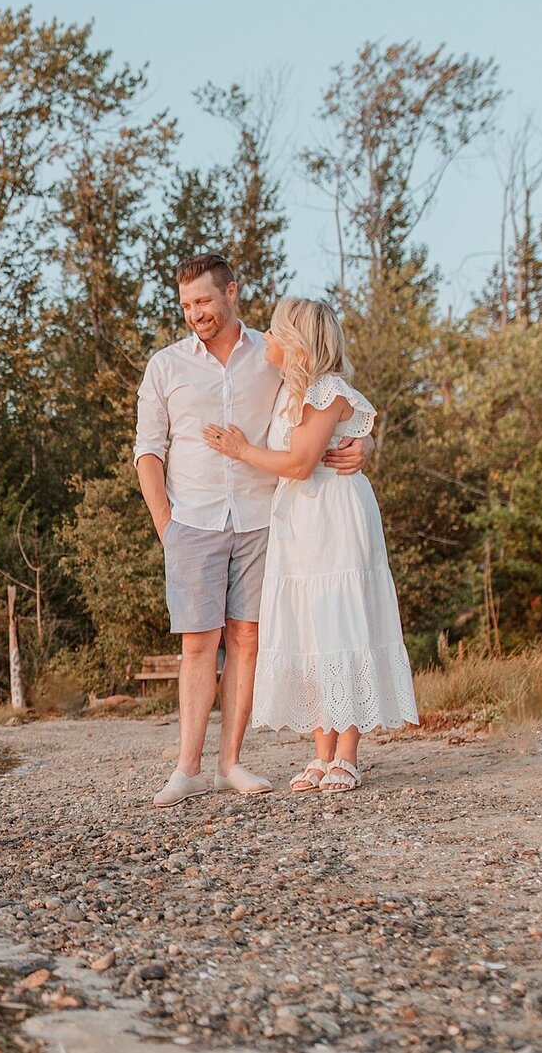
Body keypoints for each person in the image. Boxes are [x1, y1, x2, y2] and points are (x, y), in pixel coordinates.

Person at [135, 254, 367, 807]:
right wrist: (165, 524)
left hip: (267, 520)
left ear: (231, 293)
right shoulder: (165, 366)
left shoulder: (274, 351)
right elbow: (147, 451)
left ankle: (230, 764)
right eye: (187, 304)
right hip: (191, 520)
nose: (196, 313)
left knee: (246, 639)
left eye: (205, 301)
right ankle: (187, 769)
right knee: (198, 643)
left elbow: (326, 401)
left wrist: (363, 444)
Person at [204, 297, 418, 792]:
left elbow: (300, 463)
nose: (268, 338)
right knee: (309, 627)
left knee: (339, 621)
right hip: (299, 520)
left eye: (276, 331)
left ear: (298, 341)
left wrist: (240, 450)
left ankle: (347, 754)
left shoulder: (327, 391)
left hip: (333, 516)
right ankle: (320, 755)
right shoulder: (290, 391)